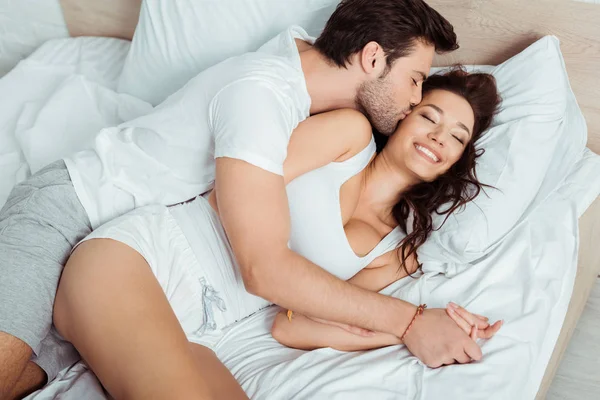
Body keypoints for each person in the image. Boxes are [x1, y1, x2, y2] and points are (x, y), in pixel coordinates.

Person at [0, 1, 461, 398]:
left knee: (35, 381)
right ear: (373, 57)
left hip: (141, 269)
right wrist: (409, 322)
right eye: (416, 79)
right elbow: (262, 267)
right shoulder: (261, 95)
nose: (414, 99)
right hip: (72, 211)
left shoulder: (299, 86)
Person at [52, 68, 502, 399]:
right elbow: (233, 190)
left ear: (458, 159)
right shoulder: (350, 137)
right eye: (429, 117)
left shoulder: (398, 251)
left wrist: (412, 329)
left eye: (457, 137)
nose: (439, 136)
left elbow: (294, 326)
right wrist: (411, 320)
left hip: (202, 329)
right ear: (404, 117)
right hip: (143, 260)